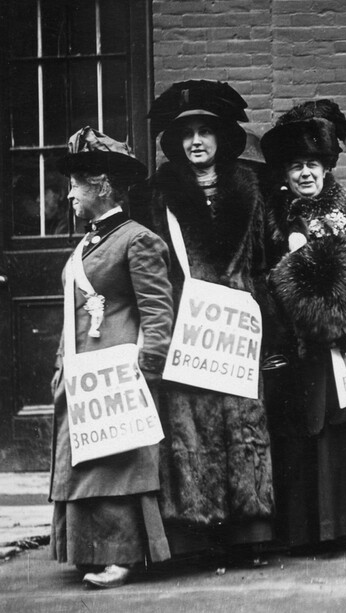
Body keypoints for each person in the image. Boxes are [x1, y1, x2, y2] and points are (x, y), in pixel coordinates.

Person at [133, 80, 275, 563]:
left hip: (237, 328)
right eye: (186, 133)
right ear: (175, 143)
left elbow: (261, 261)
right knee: (189, 427)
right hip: (186, 328)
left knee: (242, 421)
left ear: (221, 139)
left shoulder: (250, 191)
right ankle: (197, 532)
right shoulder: (156, 196)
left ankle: (249, 532)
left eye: (205, 132)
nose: (196, 141)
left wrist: (264, 319)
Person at [49, 127, 173, 589]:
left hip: (117, 373)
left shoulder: (138, 239)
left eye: (76, 185)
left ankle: (123, 556)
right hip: (82, 373)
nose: (69, 195)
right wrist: (63, 366)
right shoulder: (87, 244)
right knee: (87, 464)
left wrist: (145, 367)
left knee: (119, 464)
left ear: (101, 185)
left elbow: (158, 312)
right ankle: (88, 553)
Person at [261, 101, 346, 552]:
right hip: (295, 340)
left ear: (326, 168)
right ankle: (303, 534)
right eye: (296, 167)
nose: (306, 174)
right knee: (301, 429)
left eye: (312, 164)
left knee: (345, 428)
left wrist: (327, 248)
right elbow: (263, 270)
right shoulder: (275, 213)